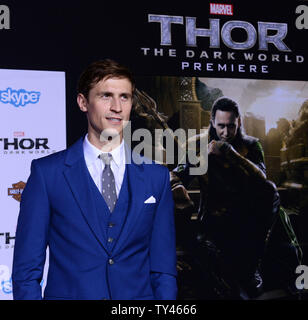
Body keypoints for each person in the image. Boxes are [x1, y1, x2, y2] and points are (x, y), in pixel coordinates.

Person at [12, 59, 177, 300]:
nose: (117, 107)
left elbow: (163, 269)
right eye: (106, 96)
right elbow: (26, 271)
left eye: (125, 97)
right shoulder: (47, 174)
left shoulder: (156, 177)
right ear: (82, 103)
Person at [172, 97, 280, 299]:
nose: (226, 132)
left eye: (231, 126)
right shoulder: (198, 145)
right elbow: (177, 174)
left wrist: (231, 154)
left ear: (238, 122)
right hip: (213, 220)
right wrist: (176, 185)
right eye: (221, 126)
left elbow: (262, 180)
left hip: (247, 220)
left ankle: (251, 267)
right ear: (212, 122)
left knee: (270, 190)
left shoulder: (252, 146)